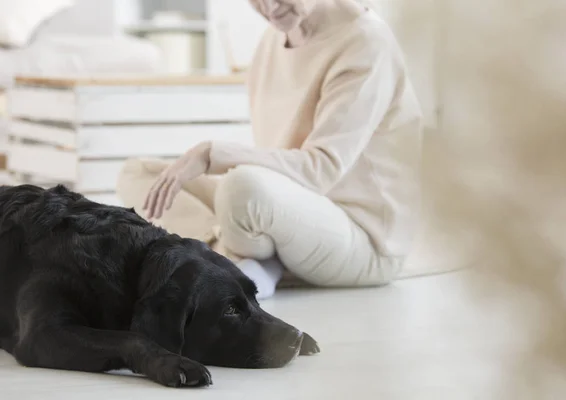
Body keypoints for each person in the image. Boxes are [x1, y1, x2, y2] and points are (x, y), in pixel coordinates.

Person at [117, 0, 423, 299]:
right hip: (287, 209)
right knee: (138, 175)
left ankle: (235, 257)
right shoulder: (275, 35)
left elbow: (321, 169)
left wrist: (212, 153)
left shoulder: (366, 42)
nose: (270, 7)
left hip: (361, 238)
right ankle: (240, 256)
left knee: (241, 188)